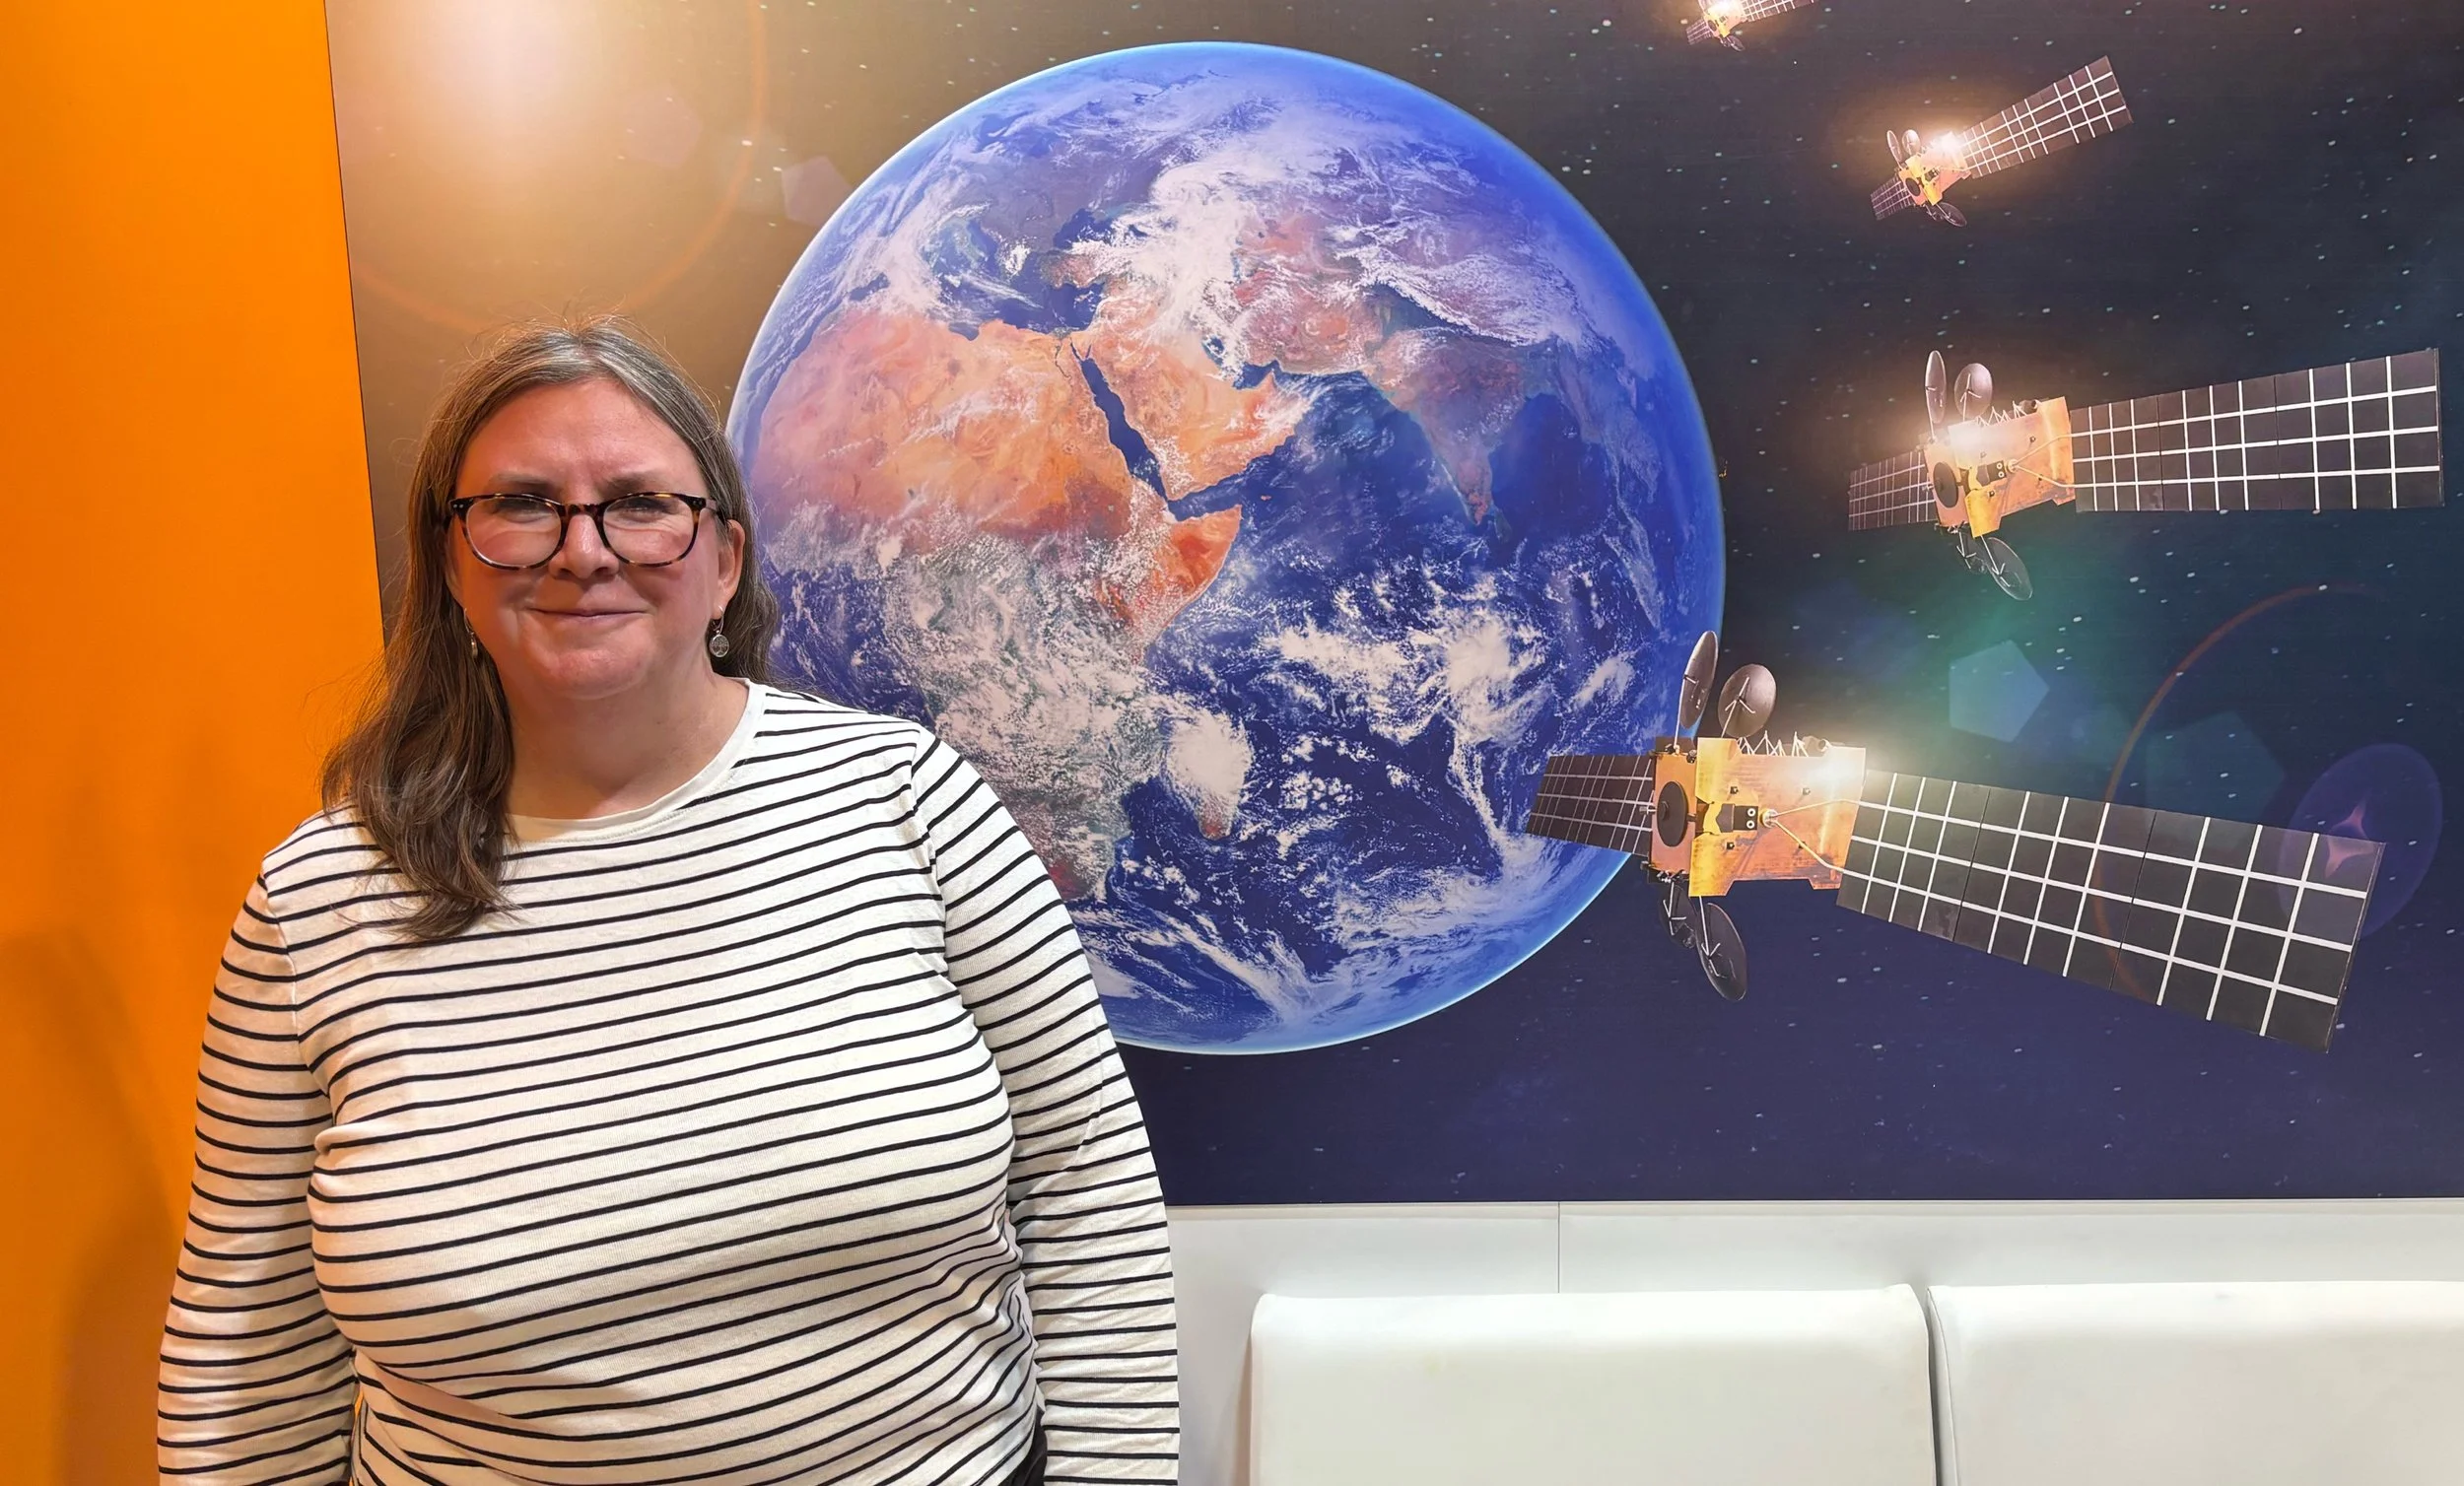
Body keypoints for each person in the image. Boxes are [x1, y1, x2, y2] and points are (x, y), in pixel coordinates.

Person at [158, 318, 1179, 1484]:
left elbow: (1086, 1185)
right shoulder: (318, 901)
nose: (582, 550)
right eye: (522, 504)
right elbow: (249, 1349)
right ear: (448, 558)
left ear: (725, 559)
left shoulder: (907, 801)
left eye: (640, 502)